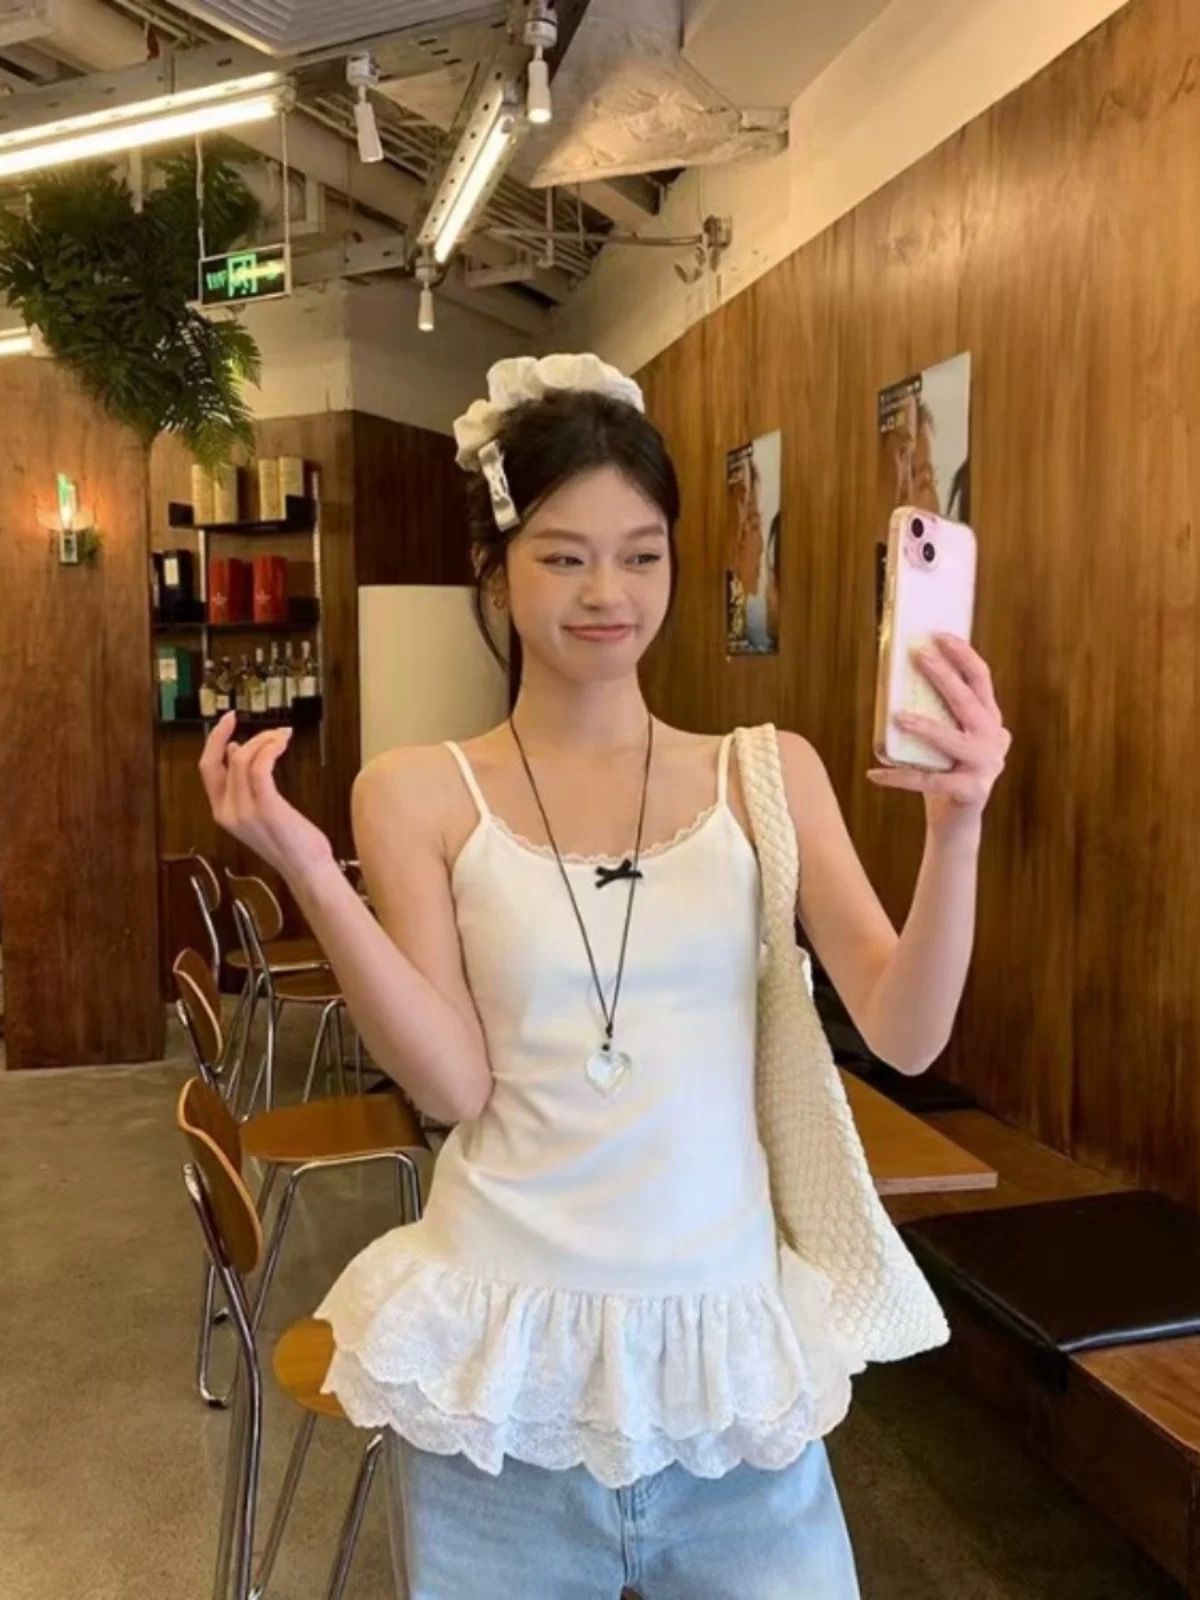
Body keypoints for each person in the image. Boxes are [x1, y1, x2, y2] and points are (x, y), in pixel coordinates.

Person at [199, 353, 1011, 1599]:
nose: (606, 592)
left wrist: (958, 827)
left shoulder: (766, 773)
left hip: (727, 1369)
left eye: (641, 554)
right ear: (495, 569)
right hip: (504, 1376)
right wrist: (311, 870)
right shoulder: (415, 791)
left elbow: (905, 1033)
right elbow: (455, 1087)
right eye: (564, 554)